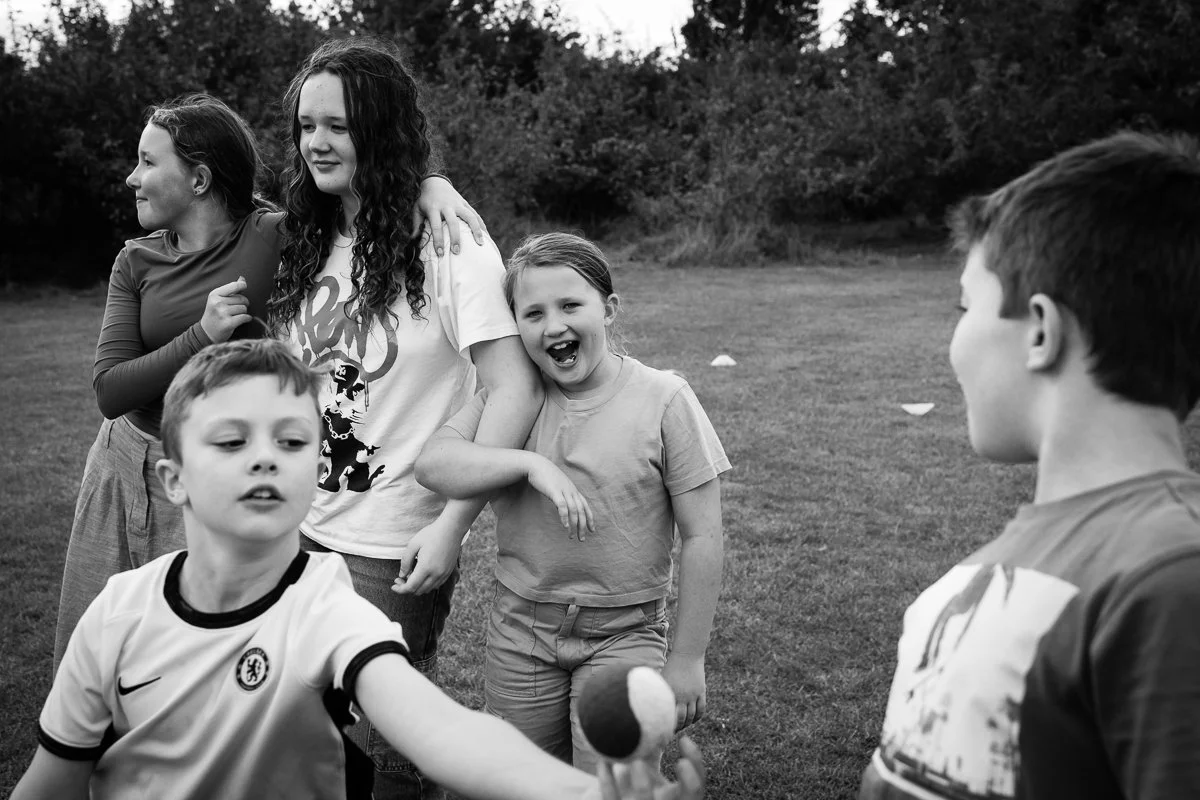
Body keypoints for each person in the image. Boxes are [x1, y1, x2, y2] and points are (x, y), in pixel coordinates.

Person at [12, 339, 706, 800]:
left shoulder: (328, 610)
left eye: (291, 442)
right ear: (174, 479)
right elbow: (53, 782)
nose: (265, 457)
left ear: (317, 472)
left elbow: (445, 731)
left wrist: (583, 791)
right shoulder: (117, 613)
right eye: (231, 441)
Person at [52, 93, 482, 671]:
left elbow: (357, 191)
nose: (133, 177)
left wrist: (431, 183)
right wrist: (201, 335)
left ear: (200, 179)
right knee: (89, 646)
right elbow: (110, 391)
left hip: (219, 467)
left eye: (148, 162)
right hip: (123, 459)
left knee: (199, 658)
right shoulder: (135, 261)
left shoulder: (278, 238)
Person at [857, 131, 1200, 800]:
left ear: (1041, 331)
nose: (954, 341)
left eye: (965, 306)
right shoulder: (977, 578)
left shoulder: (1170, 580)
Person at [267, 37, 543, 799]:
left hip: (391, 548)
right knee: (304, 736)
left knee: (389, 758)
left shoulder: (451, 245)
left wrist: (453, 523)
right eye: (306, 126)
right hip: (297, 527)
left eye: (339, 126)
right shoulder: (306, 235)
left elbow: (512, 388)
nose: (317, 142)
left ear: (381, 132)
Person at [414, 232, 729, 773]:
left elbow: (703, 535)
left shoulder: (664, 399)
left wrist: (687, 658)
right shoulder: (513, 401)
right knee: (523, 778)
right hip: (521, 631)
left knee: (611, 782)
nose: (553, 326)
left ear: (609, 309)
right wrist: (529, 464)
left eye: (570, 306)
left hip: (625, 632)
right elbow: (434, 465)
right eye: (533, 314)